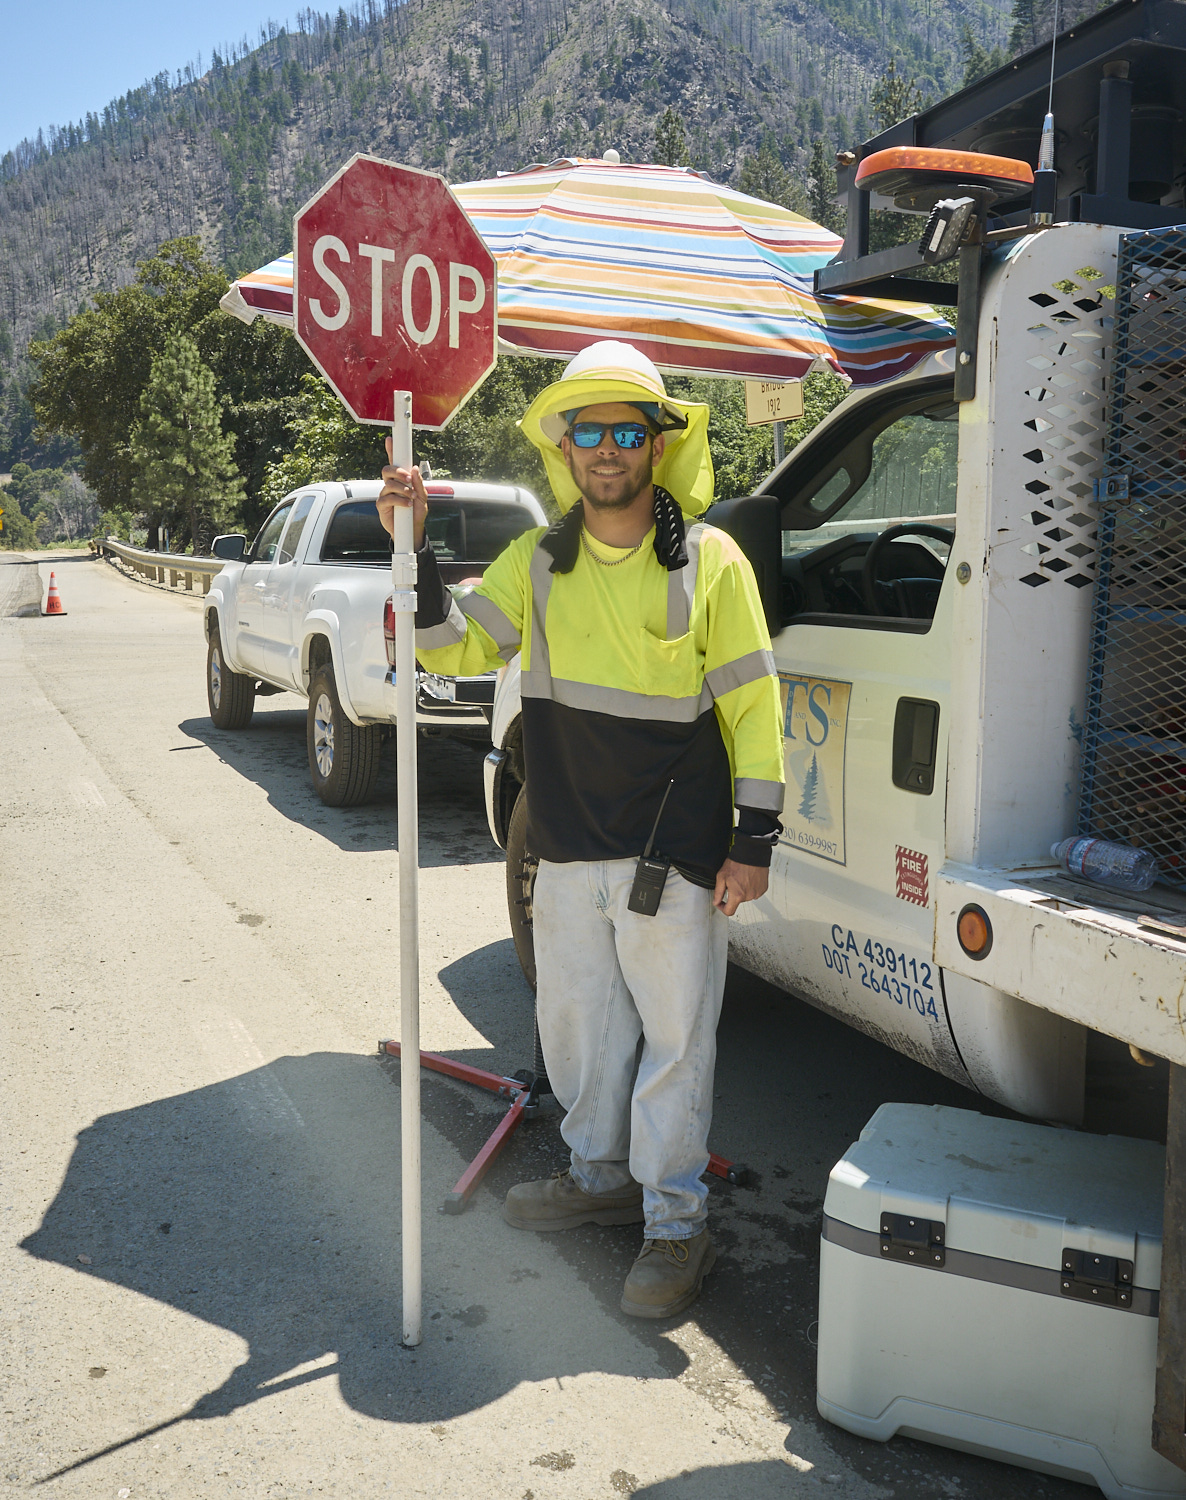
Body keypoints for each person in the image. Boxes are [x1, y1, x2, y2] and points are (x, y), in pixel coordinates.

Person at [377, 342, 784, 1318]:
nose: (607, 448)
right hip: (563, 850)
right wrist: (411, 541)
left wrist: (753, 840)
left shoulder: (710, 561)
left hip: (673, 862)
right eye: (588, 430)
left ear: (657, 442)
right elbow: (450, 642)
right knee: (579, 1035)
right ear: (564, 448)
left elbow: (754, 705)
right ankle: (600, 1182)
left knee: (675, 1047)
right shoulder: (539, 560)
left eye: (626, 429)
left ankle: (675, 1228)